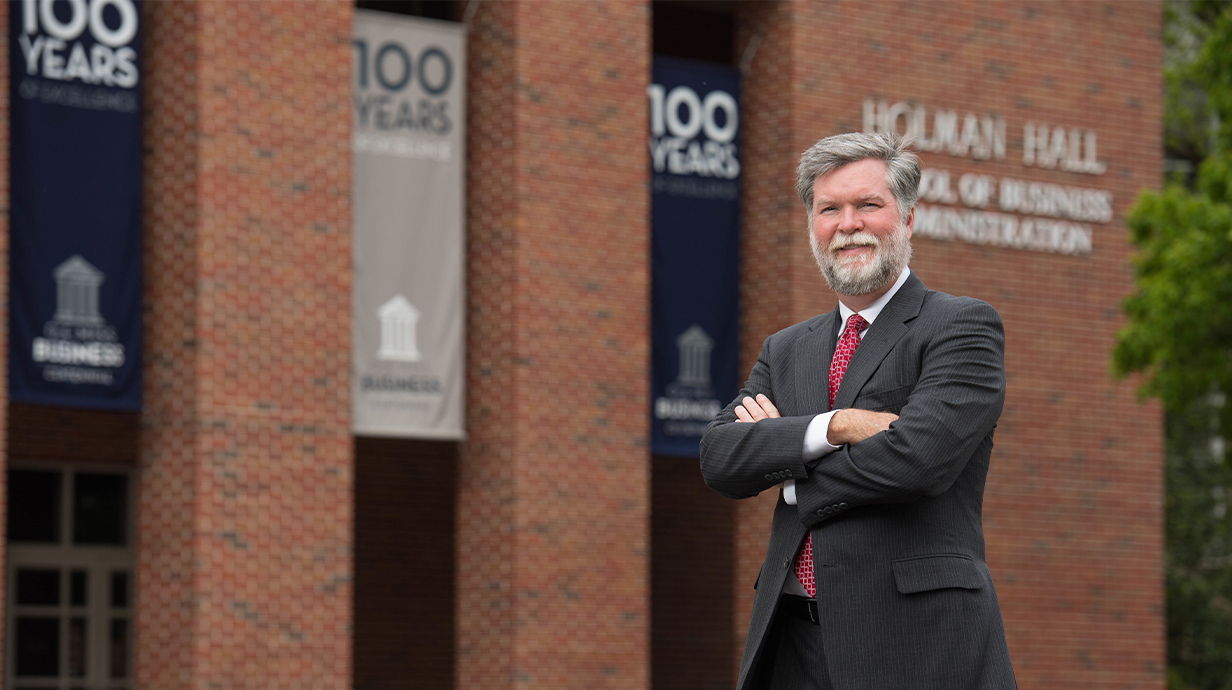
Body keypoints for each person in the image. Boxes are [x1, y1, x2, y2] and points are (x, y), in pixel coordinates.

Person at [700, 131, 1018, 690]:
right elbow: (721, 459)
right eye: (830, 209)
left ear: (909, 218)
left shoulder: (960, 327)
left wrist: (788, 464)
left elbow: (919, 459)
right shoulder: (786, 348)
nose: (848, 224)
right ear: (812, 227)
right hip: (790, 640)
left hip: (915, 641)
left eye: (868, 204)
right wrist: (836, 426)